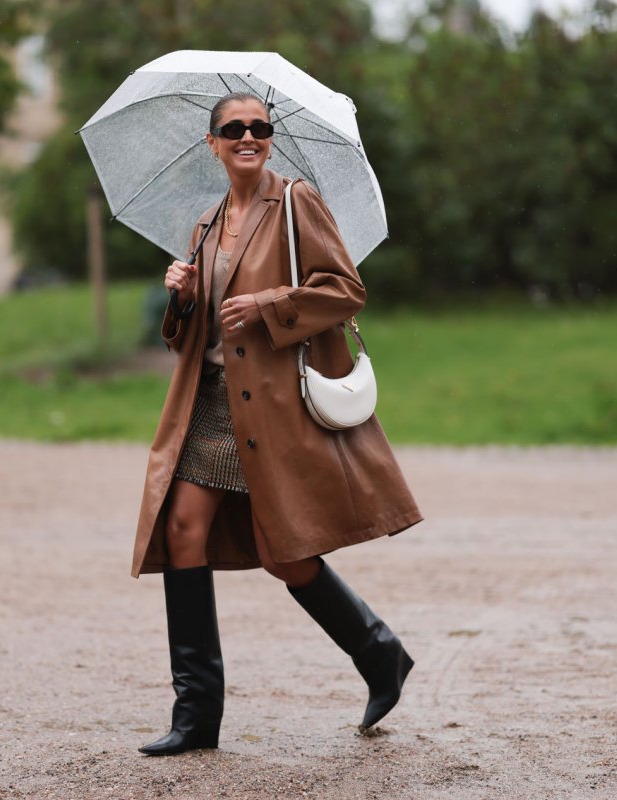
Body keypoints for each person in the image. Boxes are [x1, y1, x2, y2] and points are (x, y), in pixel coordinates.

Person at [132, 91, 423, 756]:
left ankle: (380, 655)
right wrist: (180, 295)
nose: (247, 137)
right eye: (233, 129)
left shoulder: (295, 202)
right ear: (212, 143)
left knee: (283, 552)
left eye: (259, 128)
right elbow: (186, 338)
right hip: (207, 400)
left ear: (270, 139)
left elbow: (347, 289)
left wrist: (267, 303)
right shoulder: (205, 224)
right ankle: (196, 715)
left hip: (266, 403)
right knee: (183, 529)